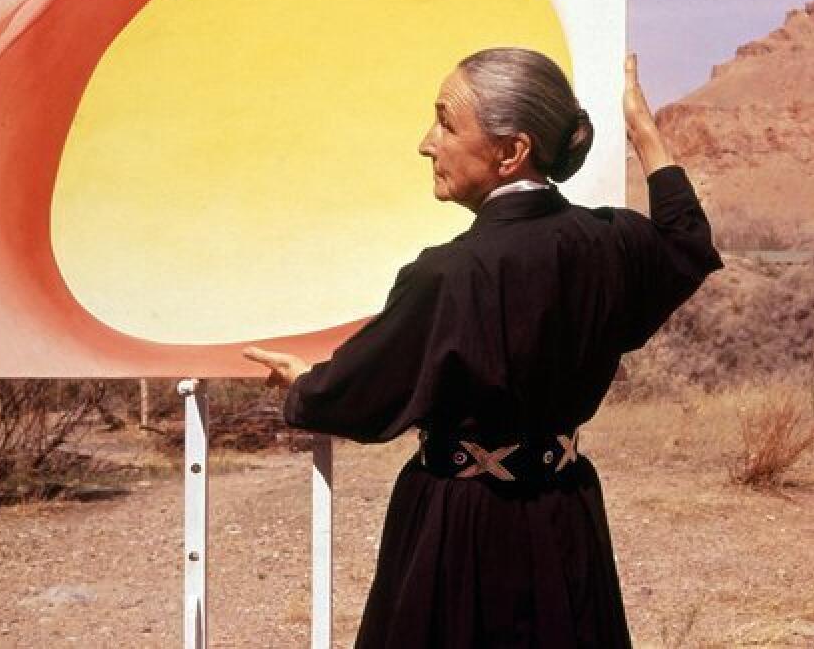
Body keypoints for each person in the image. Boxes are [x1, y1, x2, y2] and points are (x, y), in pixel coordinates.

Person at [245, 48, 723, 647]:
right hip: (566, 515)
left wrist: (304, 384)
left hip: (461, 533)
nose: (427, 142)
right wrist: (643, 129)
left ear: (510, 151)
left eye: (446, 122)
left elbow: (356, 396)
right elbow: (686, 241)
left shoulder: (450, 276)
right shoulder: (612, 243)